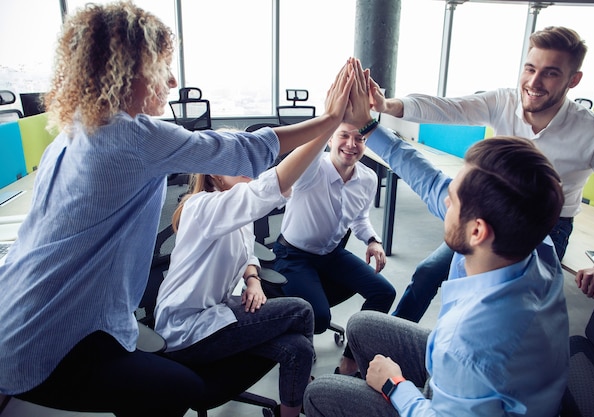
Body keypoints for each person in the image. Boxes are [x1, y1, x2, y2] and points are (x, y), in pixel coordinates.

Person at [0, 3, 355, 416]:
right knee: (175, 390)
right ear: (125, 69)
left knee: (172, 384)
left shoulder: (74, 131)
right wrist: (330, 118)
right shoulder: (132, 136)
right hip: (48, 338)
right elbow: (250, 151)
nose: (170, 80)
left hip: (18, 316)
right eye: (162, 66)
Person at [304, 80, 569, 414]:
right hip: (473, 378)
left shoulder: (469, 343)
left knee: (321, 394)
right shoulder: (534, 244)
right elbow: (429, 180)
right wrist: (369, 125)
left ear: (477, 231)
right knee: (361, 324)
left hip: (451, 396)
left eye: (453, 200)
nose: (443, 200)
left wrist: (394, 385)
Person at [368, 26, 594, 323]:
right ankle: (389, 341)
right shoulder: (504, 101)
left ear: (574, 79)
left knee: (497, 310)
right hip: (490, 208)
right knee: (428, 273)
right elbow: (448, 108)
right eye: (530, 68)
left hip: (546, 229)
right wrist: (387, 106)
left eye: (551, 73)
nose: (534, 82)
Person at [153, 63, 354, 417]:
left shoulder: (236, 212)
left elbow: (247, 251)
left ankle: (291, 409)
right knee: (300, 308)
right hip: (185, 331)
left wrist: (252, 279)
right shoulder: (201, 208)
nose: (250, 168)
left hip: (215, 313)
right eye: (237, 162)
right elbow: (273, 186)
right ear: (215, 172)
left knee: (297, 348)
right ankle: (302, 398)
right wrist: (330, 123)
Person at [271, 118, 397, 375]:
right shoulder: (311, 169)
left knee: (384, 292)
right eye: (343, 136)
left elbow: (360, 218)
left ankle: (350, 360)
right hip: (294, 254)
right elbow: (302, 155)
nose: (351, 144)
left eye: (360, 139)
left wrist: (373, 240)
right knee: (319, 318)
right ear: (329, 139)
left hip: (331, 254)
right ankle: (297, 325)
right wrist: (331, 117)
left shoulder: (368, 178)